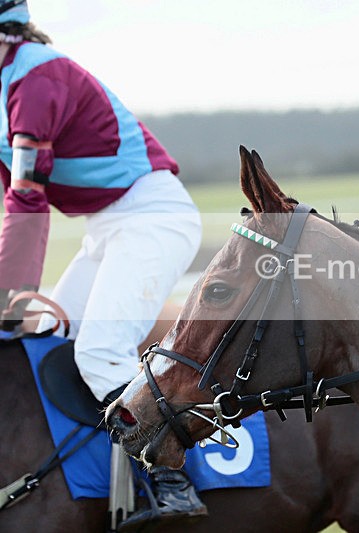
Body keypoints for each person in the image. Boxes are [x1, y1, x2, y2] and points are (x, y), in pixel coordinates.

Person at [0, 1, 206, 529]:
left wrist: (7, 295)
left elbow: (27, 202)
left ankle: (168, 476)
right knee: (48, 342)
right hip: (107, 227)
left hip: (152, 218)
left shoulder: (36, 77)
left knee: (98, 353)